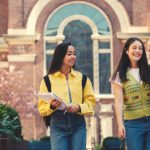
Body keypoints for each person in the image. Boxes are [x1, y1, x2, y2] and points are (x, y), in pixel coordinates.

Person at [38, 42, 95, 150]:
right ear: (60, 56)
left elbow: (91, 103)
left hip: (78, 123)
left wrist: (78, 107)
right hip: (57, 124)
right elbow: (42, 109)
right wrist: (52, 106)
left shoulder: (83, 78)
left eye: (74, 54)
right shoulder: (47, 80)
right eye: (69, 54)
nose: (73, 56)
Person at [110, 37, 150, 150]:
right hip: (133, 124)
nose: (138, 51)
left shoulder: (148, 70)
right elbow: (118, 101)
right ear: (127, 50)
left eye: (140, 48)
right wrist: (120, 124)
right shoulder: (120, 75)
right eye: (135, 48)